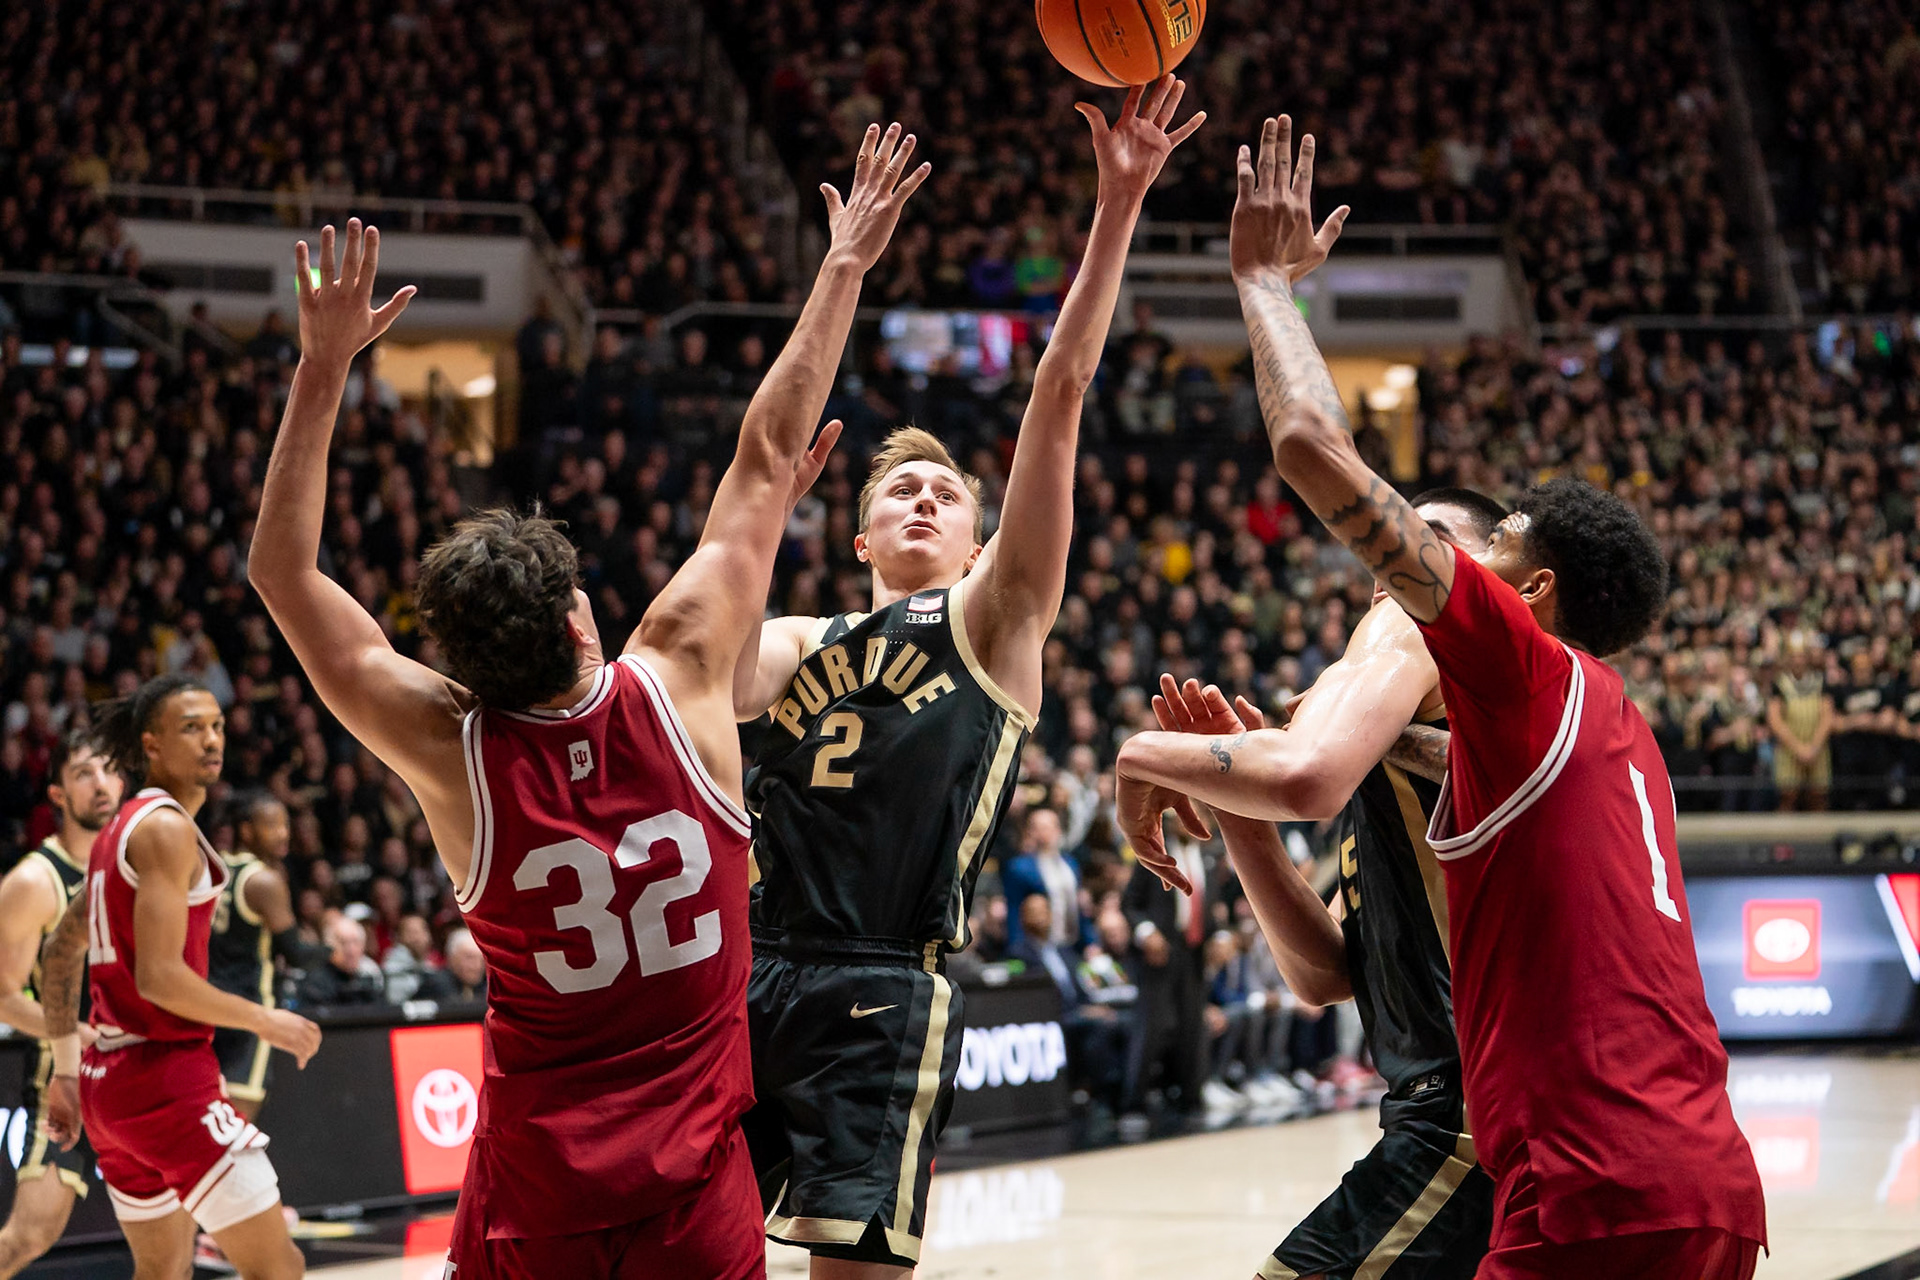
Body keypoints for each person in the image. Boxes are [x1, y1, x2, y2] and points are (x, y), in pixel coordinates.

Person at [246, 120, 926, 1280]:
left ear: (459, 665)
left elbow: (283, 573)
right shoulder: (682, 674)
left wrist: (321, 371)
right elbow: (767, 456)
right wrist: (844, 262)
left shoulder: (447, 748)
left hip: (533, 1203)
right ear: (578, 616)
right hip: (691, 1196)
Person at [1130, 114, 1766, 1278]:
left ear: (1522, 587)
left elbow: (1314, 443)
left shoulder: (1506, 659)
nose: (1405, 572)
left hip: (1569, 1165)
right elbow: (1329, 968)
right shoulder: (1598, 735)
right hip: (1689, 1172)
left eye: (1448, 548)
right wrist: (1239, 800)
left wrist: (1262, 283)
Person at [731, 77, 1204, 1276]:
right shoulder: (798, 632)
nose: (925, 494)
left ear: (980, 535)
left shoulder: (992, 620)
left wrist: (1118, 207)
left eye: (948, 490)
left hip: (880, 987)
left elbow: (1058, 397)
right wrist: (759, 525)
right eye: (900, 487)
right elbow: (711, 669)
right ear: (859, 533)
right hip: (744, 969)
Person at [1116, 490, 1509, 1279]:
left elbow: (1304, 777)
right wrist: (1238, 814)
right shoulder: (1391, 755)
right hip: (1453, 1110)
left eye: (1426, 538)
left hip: (1470, 1111)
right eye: (1387, 541)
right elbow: (1323, 975)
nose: (1392, 552)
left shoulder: (1444, 641)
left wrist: (1144, 754)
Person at [38, 675, 322, 1280]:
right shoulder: (165, 829)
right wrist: (262, 1017)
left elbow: (60, 956)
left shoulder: (119, 829)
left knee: (163, 1270)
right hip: (165, 1081)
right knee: (281, 1268)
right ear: (152, 746)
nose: (211, 739)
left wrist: (64, 1070)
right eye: (191, 728)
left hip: (106, 1085)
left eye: (216, 725)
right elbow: (160, 980)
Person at [0, 732, 121, 1278]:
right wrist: (78, 1035)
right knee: (28, 1237)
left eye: (108, 769)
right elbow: (4, 999)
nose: (100, 783)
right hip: (64, 1078)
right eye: (82, 774)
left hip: (133, 1071)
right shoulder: (33, 881)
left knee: (180, 1223)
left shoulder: (131, 862)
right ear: (58, 793)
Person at [208, 793, 308, 1119]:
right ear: (247, 831)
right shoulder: (263, 880)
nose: (283, 833)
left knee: (206, 1122)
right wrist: (332, 952)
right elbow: (296, 953)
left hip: (207, 1005)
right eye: (272, 825)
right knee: (236, 1128)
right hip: (249, 1013)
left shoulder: (215, 869)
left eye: (285, 825)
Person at [1000, 806, 1088, 949]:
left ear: (1058, 830)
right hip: (1040, 945)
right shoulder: (1019, 868)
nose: (1044, 832)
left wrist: (1090, 942)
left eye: (1048, 827)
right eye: (1038, 828)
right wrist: (1017, 947)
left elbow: (1078, 905)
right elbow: (1014, 909)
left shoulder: (1071, 864)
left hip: (1072, 943)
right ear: (1030, 832)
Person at [292, 915, 385, 1008]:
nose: (351, 951)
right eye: (343, 943)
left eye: (356, 942)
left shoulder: (368, 978)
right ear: (329, 946)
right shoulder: (315, 985)